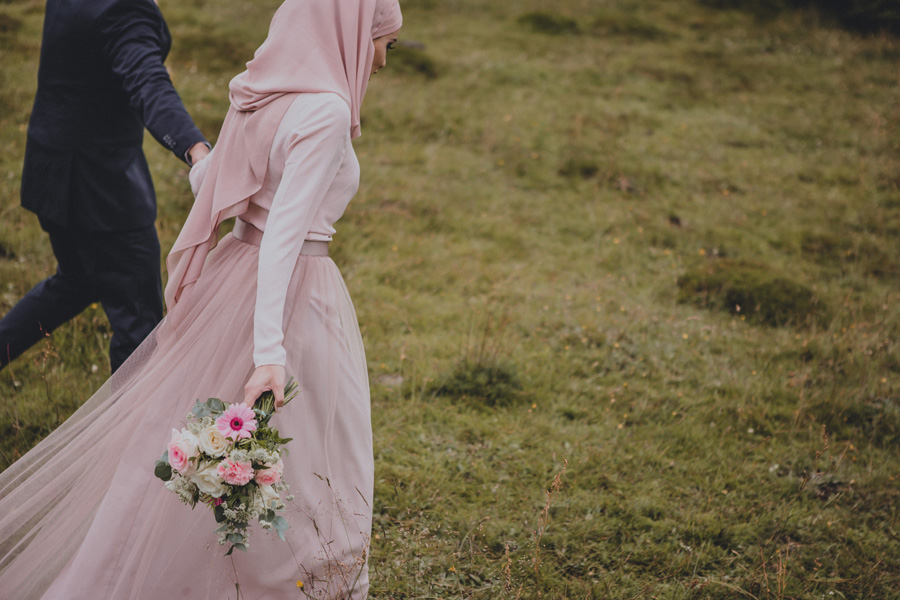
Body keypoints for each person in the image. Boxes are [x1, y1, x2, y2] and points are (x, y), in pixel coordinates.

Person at [0, 0, 401, 597]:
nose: (383, 59)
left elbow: (214, 184)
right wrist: (270, 353)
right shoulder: (325, 111)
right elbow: (282, 243)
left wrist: (200, 164)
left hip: (228, 281)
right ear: (350, 30)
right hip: (288, 294)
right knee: (310, 453)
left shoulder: (261, 91)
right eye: (383, 40)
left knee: (193, 447)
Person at [0, 0, 211, 374]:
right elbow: (149, 81)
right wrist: (196, 149)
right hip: (99, 190)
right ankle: (129, 431)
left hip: (51, 168)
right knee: (139, 327)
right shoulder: (124, 8)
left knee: (76, 281)